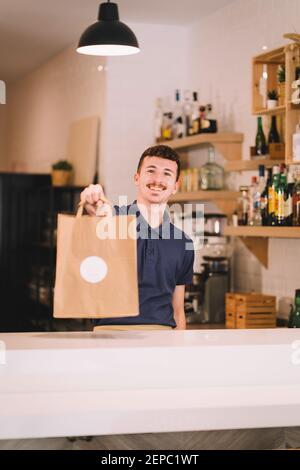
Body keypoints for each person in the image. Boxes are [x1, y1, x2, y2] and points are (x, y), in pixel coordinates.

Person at [80, 145, 194, 330]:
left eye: (167, 173)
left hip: (162, 337)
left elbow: (178, 310)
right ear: (137, 178)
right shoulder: (113, 219)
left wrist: (179, 352)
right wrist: (91, 201)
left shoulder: (183, 243)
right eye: (151, 171)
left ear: (175, 186)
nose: (158, 179)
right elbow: (96, 214)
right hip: (109, 334)